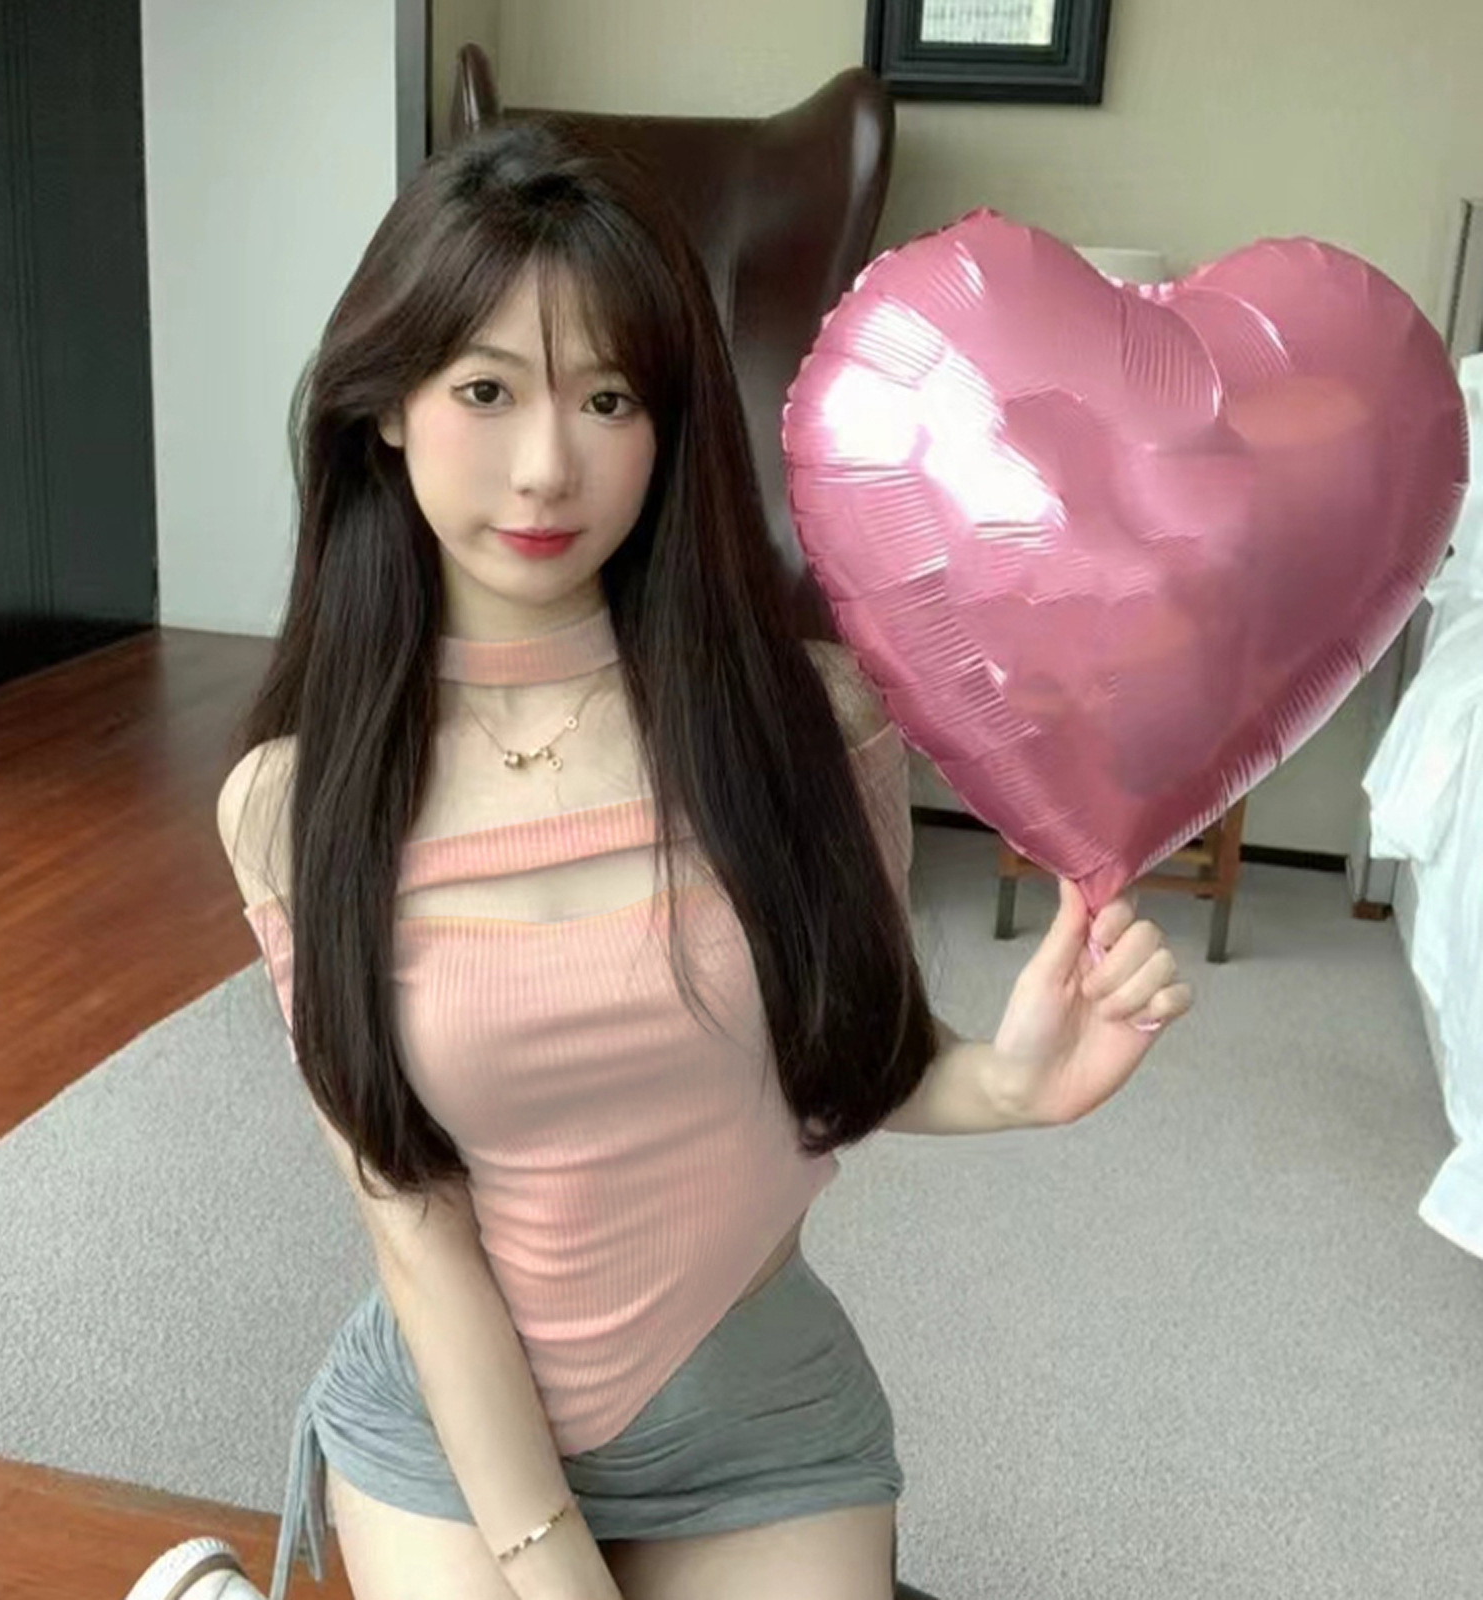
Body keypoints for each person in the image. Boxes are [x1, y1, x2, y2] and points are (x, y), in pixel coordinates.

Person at [125, 119, 1191, 1600]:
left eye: (608, 398)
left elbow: (846, 1061)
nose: (546, 468)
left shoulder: (812, 721)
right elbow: (411, 1221)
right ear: (388, 409)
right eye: (486, 390)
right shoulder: (294, 802)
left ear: (668, 424)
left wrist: (1011, 1085)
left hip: (758, 1421)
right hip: (458, 1438)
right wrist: (555, 1565)